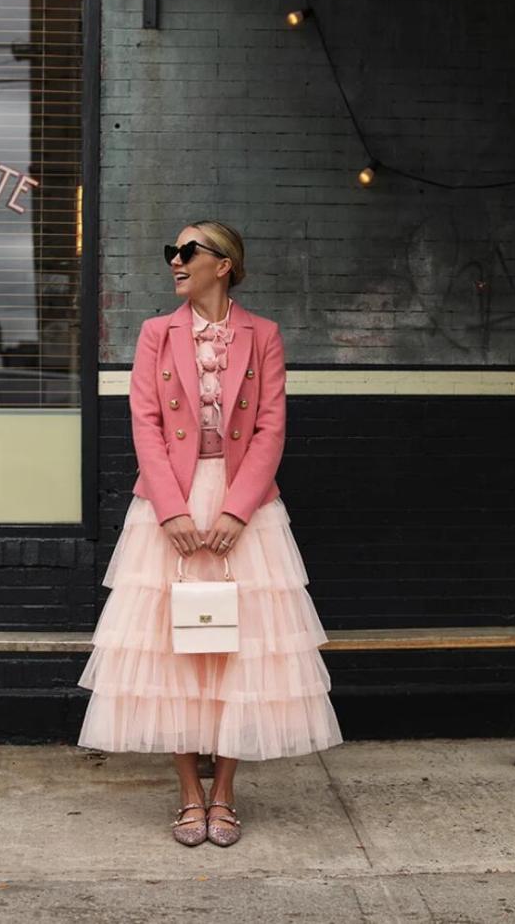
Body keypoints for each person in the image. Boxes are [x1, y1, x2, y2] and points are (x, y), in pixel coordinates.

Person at [77, 220, 343, 847]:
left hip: (242, 501)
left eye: (187, 251)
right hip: (169, 499)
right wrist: (170, 510)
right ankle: (189, 795)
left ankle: (224, 792)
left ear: (222, 265)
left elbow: (272, 428)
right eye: (172, 251)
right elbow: (144, 422)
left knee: (239, 650)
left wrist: (236, 510)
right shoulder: (154, 334)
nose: (174, 260)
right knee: (173, 650)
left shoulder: (264, 335)